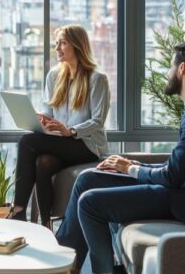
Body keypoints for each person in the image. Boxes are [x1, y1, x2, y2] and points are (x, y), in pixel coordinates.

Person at [55, 43, 185, 274]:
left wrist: (131, 170)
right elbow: (179, 165)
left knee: (90, 203)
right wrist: (133, 165)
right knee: (88, 179)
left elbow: (172, 175)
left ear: (182, 69)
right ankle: (64, 261)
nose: (168, 73)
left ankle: (101, 270)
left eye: (171, 67)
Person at [10, 24, 110, 226]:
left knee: (27, 141)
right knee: (42, 163)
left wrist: (71, 131)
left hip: (87, 145)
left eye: (62, 43)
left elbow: (98, 120)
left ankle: (18, 210)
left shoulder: (97, 79)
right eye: (57, 43)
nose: (57, 48)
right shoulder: (54, 76)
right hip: (61, 144)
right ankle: (46, 225)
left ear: (77, 45)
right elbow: (49, 111)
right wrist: (41, 120)